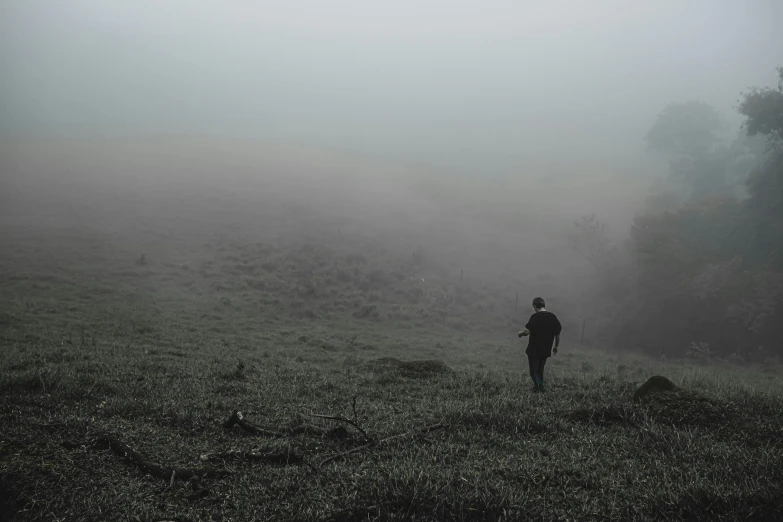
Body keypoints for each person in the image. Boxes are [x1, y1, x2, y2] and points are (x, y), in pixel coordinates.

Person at [518, 297, 562, 392]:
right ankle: (537, 389)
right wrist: (556, 346)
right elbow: (557, 333)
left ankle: (540, 388)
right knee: (540, 371)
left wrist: (521, 333)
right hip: (546, 349)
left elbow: (527, 332)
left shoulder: (535, 317)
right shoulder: (552, 317)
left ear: (534, 306)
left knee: (533, 371)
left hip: (534, 349)